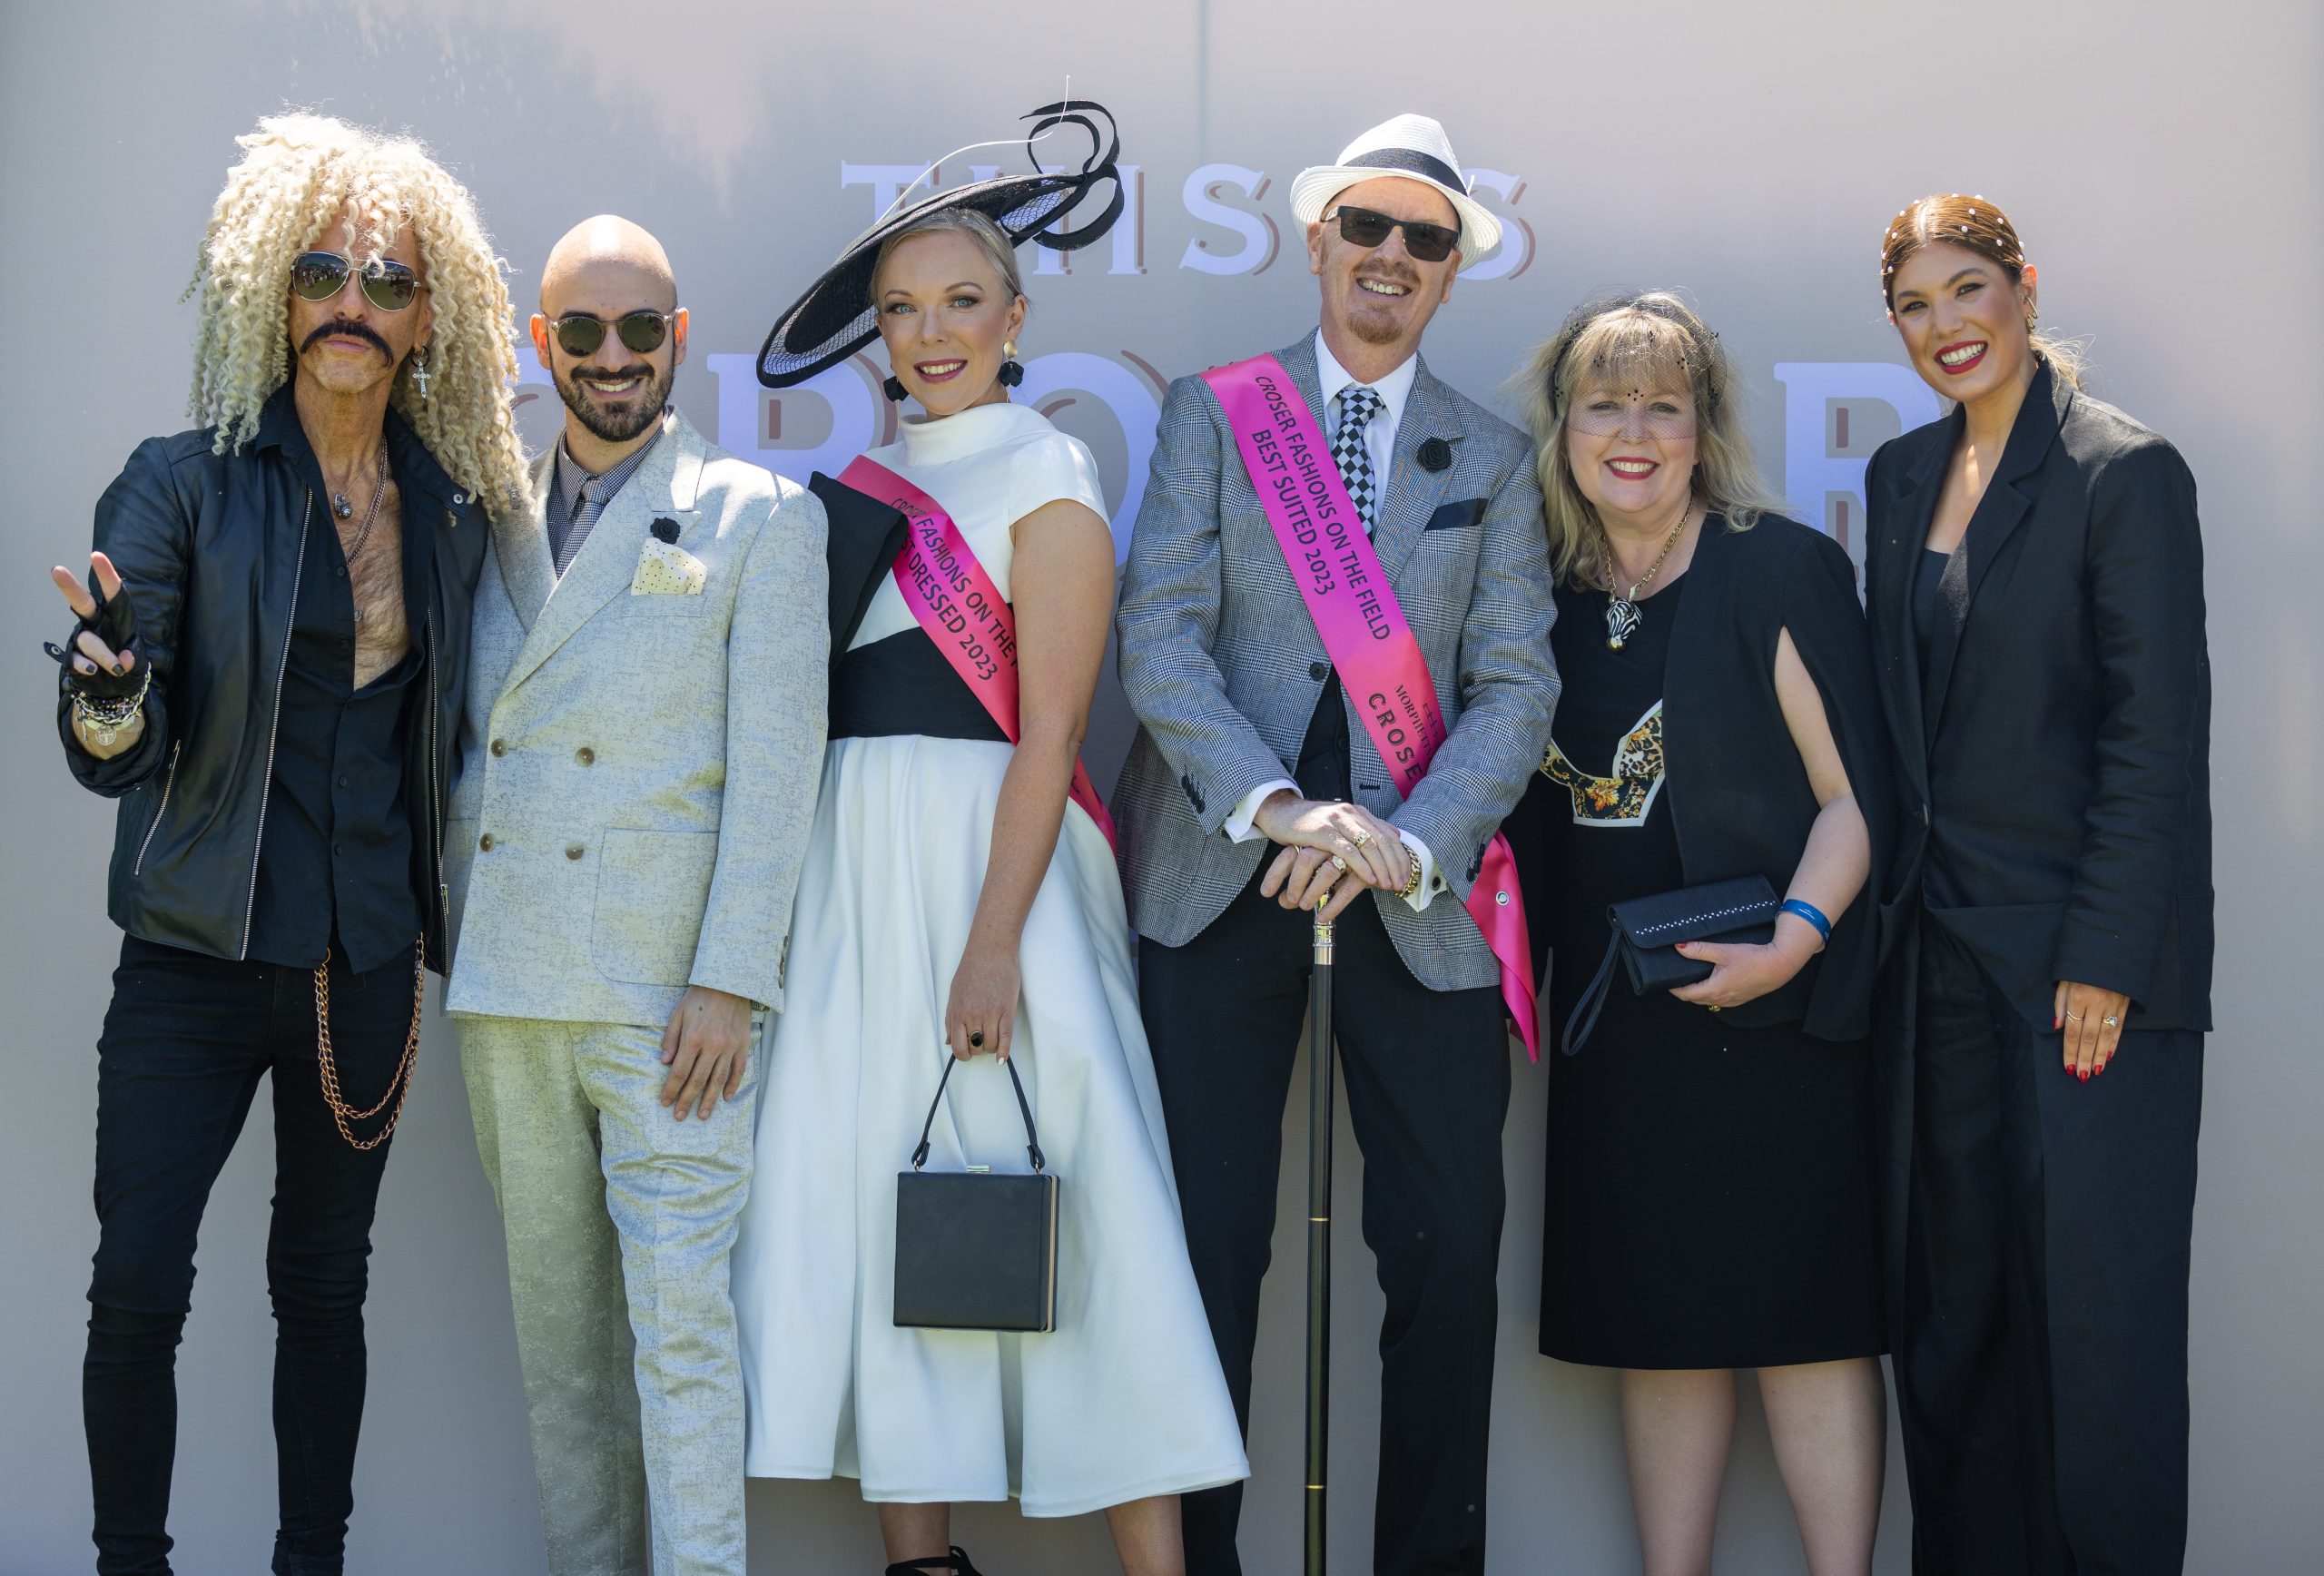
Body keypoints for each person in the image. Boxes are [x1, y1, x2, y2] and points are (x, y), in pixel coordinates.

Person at [734, 113, 1247, 1576]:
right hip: (856, 881)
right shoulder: (847, 497)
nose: (933, 331)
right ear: (877, 340)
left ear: (1017, 319)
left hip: (995, 884)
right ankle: (922, 1557)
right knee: (887, 1201)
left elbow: (1052, 732)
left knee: (1084, 1218)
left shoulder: (1051, 477)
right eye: (903, 310)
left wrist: (991, 943)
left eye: (963, 302)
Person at [43, 113, 525, 1575]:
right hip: (188, 962)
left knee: (324, 1289)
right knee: (137, 1284)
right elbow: (102, 750)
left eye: (387, 283)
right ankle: (133, 1561)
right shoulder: (181, 482)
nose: (352, 307)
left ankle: (311, 1560)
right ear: (277, 291)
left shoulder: (454, 518)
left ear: (427, 315)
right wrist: (112, 690)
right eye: (322, 273)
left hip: (360, 967)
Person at [1113, 113, 1556, 1576]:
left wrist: (1401, 845)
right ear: (1317, 242)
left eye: (1425, 240)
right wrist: (1282, 809)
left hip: (1413, 900)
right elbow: (1162, 642)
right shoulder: (1213, 412)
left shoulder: (1493, 455)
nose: (1391, 257)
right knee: (1204, 1258)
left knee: (1444, 1258)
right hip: (1222, 875)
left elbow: (1515, 689)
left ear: (1448, 275)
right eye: (1367, 228)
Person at [440, 216, 828, 1576]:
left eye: (642, 330)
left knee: (680, 1334)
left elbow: (778, 779)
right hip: (508, 983)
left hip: (675, 1007)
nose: (615, 359)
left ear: (680, 337)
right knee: (561, 1347)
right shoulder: (476, 514)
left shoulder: (765, 516)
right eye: (585, 333)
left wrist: (732, 980)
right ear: (540, 345)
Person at [1500, 293, 1893, 1576]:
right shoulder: (1537, 596)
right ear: (1564, 428)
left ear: (1703, 430)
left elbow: (1853, 802)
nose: (1633, 432)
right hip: (1621, 1031)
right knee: (1657, 1325)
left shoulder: (1776, 567)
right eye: (1605, 404)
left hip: (1778, 1012)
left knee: (1805, 1321)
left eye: (1662, 406)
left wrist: (1791, 941)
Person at [1865, 194, 2211, 1576]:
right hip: (1936, 975)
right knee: (1955, 1343)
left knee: (2096, 1353)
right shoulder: (1899, 478)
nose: (1945, 326)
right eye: (1913, 305)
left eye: (1966, 290)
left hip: (2085, 986)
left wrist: (2108, 959)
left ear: (2022, 286)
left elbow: (2153, 736)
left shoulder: (2126, 473)